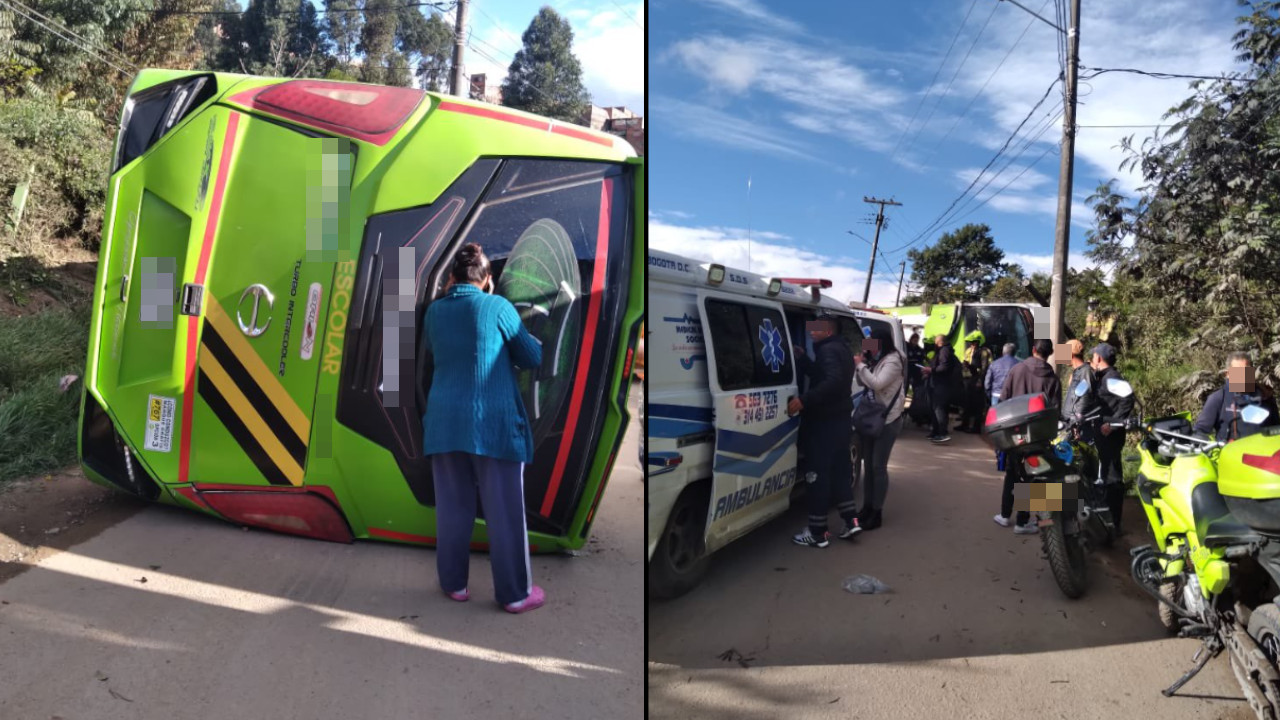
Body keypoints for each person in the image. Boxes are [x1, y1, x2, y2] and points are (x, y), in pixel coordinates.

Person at [421, 243, 546, 613]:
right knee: (505, 512)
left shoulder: (433, 313)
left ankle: (454, 584)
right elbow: (531, 356)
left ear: (451, 278)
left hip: (443, 423)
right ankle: (515, 594)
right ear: (488, 279)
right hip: (492, 426)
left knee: (452, 508)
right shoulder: (497, 307)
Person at [789, 313, 859, 547]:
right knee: (840, 472)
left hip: (825, 423)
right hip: (840, 422)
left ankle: (818, 532)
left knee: (816, 475)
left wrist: (804, 400)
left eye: (815, 327)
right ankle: (851, 521)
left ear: (828, 330)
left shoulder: (828, 350)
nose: (811, 331)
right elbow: (826, 376)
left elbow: (833, 381)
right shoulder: (840, 348)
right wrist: (805, 361)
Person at [994, 338, 1062, 533]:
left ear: (1033, 350)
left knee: (1012, 473)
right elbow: (1055, 409)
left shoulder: (1017, 370)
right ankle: (1023, 521)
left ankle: (1005, 515)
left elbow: (1003, 399)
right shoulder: (1053, 378)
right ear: (1049, 354)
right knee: (1032, 476)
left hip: (1016, 434)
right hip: (1039, 436)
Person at [853, 327, 906, 531]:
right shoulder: (879, 359)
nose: (868, 346)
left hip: (887, 420)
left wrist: (861, 365)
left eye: (871, 342)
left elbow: (877, 384)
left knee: (878, 467)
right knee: (868, 466)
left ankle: (877, 511)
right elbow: (862, 381)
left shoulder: (893, 360)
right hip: (872, 418)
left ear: (881, 342)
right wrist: (863, 364)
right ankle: (867, 507)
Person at [1089, 343, 1135, 533]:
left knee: (1112, 478)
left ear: (1099, 358)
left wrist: (1113, 424)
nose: (1091, 360)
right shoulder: (1104, 378)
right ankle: (1107, 520)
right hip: (1104, 433)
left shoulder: (1112, 378)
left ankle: (1113, 524)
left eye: (1093, 357)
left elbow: (1128, 400)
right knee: (1106, 474)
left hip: (1110, 435)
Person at [1194, 352, 1280, 442]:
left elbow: (1276, 429)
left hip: (1262, 453)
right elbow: (1200, 431)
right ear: (1228, 374)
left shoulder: (1265, 396)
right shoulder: (1218, 398)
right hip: (1231, 454)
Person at [922, 334, 958, 444]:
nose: (934, 344)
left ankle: (942, 433)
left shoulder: (944, 351)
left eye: (936, 342)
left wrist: (931, 370)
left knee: (939, 409)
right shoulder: (944, 351)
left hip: (941, 385)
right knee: (935, 408)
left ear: (940, 342)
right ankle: (936, 432)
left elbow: (944, 367)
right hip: (937, 383)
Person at [957, 331, 993, 433]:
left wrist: (980, 380)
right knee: (966, 403)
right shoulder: (968, 350)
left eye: (974, 342)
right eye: (971, 342)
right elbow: (964, 362)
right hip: (967, 379)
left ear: (979, 342)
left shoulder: (984, 352)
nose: (972, 344)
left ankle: (976, 428)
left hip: (977, 380)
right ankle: (964, 424)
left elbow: (985, 368)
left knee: (978, 405)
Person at [1061, 339, 1095, 429]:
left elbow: (1085, 397)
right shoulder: (1077, 372)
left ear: (1071, 354)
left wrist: (1076, 422)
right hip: (1068, 424)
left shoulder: (1085, 371)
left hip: (1077, 426)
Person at [985, 343, 1019, 408]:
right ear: (1014, 352)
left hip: (996, 395)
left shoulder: (994, 364)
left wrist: (990, 395)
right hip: (1012, 397)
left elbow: (987, 384)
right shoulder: (1018, 364)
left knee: (996, 416)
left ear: (1003, 352)